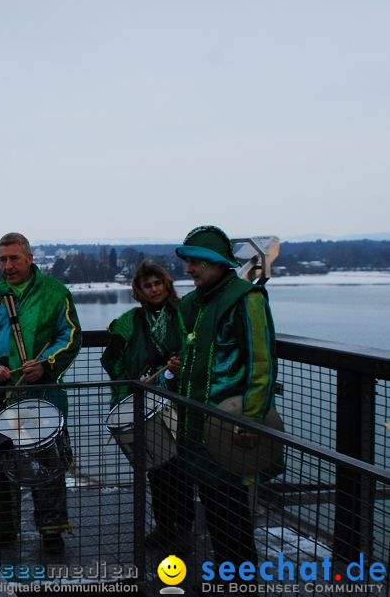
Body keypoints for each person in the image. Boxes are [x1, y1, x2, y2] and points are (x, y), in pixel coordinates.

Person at [0, 232, 81, 554]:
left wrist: (45, 364)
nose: (8, 265)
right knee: (3, 463)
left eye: (14, 258)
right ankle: (5, 525)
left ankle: (52, 527)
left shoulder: (56, 293)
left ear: (29, 258)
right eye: (2, 259)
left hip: (43, 389)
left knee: (49, 460)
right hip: (0, 390)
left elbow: (69, 336)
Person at [175, 225, 278, 574]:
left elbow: (260, 364)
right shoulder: (192, 304)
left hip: (229, 426)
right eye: (187, 262)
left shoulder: (246, 298)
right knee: (215, 508)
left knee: (233, 512)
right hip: (196, 426)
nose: (188, 270)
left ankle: (240, 583)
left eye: (195, 263)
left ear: (217, 263)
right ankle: (225, 576)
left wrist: (250, 419)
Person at [100, 260, 194, 551]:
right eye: (147, 285)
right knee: (156, 467)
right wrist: (132, 382)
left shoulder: (184, 316)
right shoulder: (129, 322)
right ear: (138, 291)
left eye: (157, 283)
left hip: (181, 402)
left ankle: (183, 528)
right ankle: (164, 526)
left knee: (182, 468)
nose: (153, 289)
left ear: (167, 285)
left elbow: (198, 352)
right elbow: (110, 359)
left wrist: (181, 367)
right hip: (145, 402)